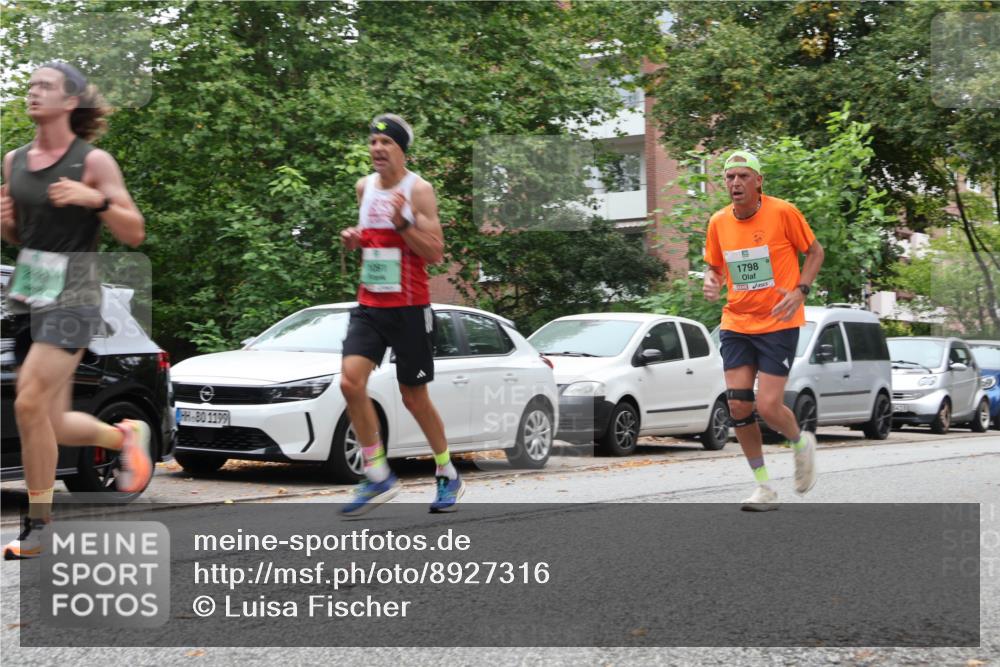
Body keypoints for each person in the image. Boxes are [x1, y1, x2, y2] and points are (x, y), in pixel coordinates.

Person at [1, 62, 150, 559]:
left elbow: (134, 232)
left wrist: (97, 199)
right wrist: (6, 227)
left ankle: (39, 525)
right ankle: (123, 435)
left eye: (45, 85)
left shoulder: (94, 161)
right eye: (31, 85)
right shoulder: (13, 161)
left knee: (26, 405)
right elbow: (27, 239)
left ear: (71, 102)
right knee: (54, 420)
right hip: (28, 295)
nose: (33, 91)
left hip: (76, 297)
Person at [338, 114, 462, 515]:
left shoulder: (419, 190)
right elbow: (374, 240)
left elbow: (435, 252)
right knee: (349, 383)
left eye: (385, 143)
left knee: (414, 397)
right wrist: (355, 240)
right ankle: (376, 473)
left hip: (409, 308)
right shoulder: (364, 188)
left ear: (401, 150)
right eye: (373, 142)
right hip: (371, 304)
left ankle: (447, 473)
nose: (376, 149)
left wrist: (404, 223)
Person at [702, 151, 825, 511]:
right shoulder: (718, 222)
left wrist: (800, 290)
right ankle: (764, 488)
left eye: (743, 176)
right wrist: (712, 281)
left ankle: (800, 443)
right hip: (737, 322)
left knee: (769, 406)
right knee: (738, 404)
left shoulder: (783, 212)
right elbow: (715, 267)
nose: (735, 183)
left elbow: (815, 252)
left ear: (759, 181)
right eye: (729, 177)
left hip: (778, 321)